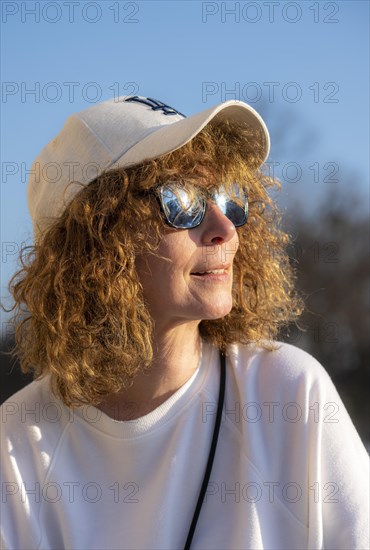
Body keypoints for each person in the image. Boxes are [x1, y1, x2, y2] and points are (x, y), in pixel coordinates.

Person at [1, 96, 368, 550]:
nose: (225, 227)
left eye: (228, 196)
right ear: (95, 239)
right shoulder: (15, 446)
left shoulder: (289, 395)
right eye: (182, 200)